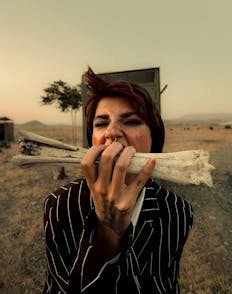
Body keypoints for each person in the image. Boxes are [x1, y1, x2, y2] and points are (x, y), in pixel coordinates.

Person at [43, 67, 193, 293]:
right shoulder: (60, 205)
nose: (111, 132)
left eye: (131, 121)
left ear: (155, 138)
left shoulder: (177, 211)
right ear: (91, 140)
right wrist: (106, 234)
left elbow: (167, 284)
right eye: (101, 124)